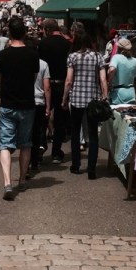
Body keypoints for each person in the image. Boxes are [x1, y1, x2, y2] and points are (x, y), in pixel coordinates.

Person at [0, 14, 39, 200]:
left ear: (10, 33)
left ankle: (7, 182)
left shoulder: (2, 55)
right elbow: (34, 78)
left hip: (8, 103)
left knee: (5, 144)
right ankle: (22, 179)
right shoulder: (32, 54)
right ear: (25, 33)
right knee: (25, 143)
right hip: (27, 103)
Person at [62, 31, 108, 179]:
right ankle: (91, 169)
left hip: (76, 99)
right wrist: (105, 95)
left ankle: (76, 165)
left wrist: (64, 98)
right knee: (93, 133)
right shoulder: (98, 56)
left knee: (75, 132)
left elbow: (69, 81)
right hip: (92, 100)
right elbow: (103, 79)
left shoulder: (72, 57)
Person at [38, 18, 71, 164]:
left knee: (43, 117)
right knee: (59, 119)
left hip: (46, 83)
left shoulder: (43, 43)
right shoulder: (67, 44)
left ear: (47, 30)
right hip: (63, 83)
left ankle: (41, 145)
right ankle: (56, 152)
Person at [30, 54, 51, 172]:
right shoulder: (43, 64)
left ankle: (26, 162)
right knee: (37, 132)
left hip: (25, 101)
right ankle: (35, 161)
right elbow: (47, 87)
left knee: (27, 133)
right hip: (39, 101)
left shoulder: (22, 62)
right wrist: (48, 106)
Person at [107, 37, 136, 105]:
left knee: (117, 115)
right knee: (130, 115)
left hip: (118, 94)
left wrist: (109, 82)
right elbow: (134, 76)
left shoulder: (116, 57)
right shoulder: (135, 60)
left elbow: (112, 70)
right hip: (131, 93)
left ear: (119, 48)